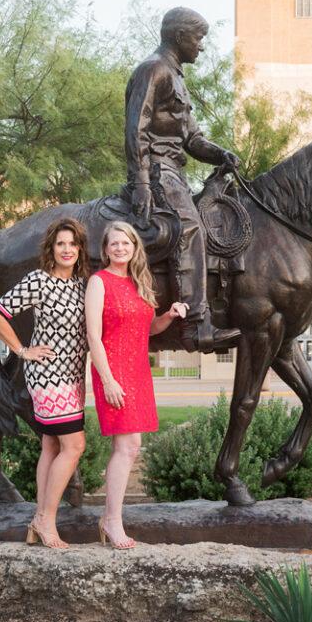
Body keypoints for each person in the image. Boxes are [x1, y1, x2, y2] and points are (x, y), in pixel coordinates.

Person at [124, 6, 242, 354]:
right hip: (158, 171)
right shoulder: (153, 70)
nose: (201, 47)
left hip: (175, 172)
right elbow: (136, 130)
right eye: (199, 39)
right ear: (180, 37)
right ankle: (196, 325)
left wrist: (220, 153)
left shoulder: (176, 78)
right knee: (190, 227)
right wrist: (142, 183)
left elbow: (192, 140)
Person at [0, 217, 89, 550]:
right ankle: (46, 520)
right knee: (74, 447)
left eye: (73, 243)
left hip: (73, 377)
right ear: (51, 248)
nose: (67, 249)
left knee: (52, 446)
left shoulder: (81, 285)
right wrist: (21, 350)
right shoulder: (39, 281)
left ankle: (36, 523)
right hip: (47, 376)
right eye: (61, 243)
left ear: (79, 249)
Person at [85, 220, 187, 549]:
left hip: (139, 372)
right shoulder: (98, 283)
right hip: (113, 371)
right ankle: (112, 520)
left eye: (125, 243)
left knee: (132, 447)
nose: (119, 248)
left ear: (133, 248)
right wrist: (108, 379)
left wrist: (168, 316)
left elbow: (148, 329)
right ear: (105, 250)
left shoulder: (139, 282)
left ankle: (110, 518)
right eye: (113, 243)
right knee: (127, 447)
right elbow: (93, 337)